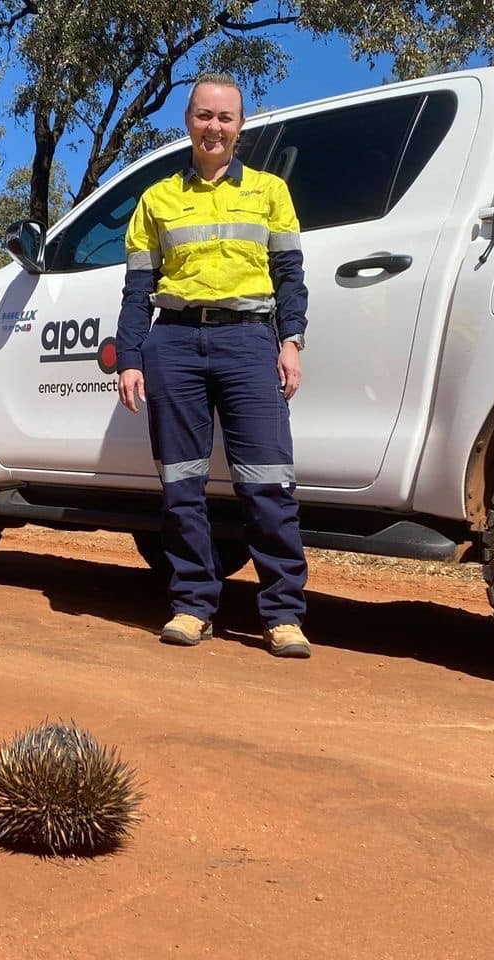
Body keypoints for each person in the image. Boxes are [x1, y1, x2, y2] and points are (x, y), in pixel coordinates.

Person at [115, 72, 310, 658]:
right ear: (188, 122)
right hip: (173, 342)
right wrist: (130, 357)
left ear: (240, 126)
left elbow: (290, 277)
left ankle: (282, 613)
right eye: (204, 116)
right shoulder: (156, 200)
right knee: (182, 487)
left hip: (250, 341)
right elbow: (136, 290)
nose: (214, 127)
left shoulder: (271, 192)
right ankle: (192, 604)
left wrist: (291, 340)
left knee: (268, 483)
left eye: (225, 118)